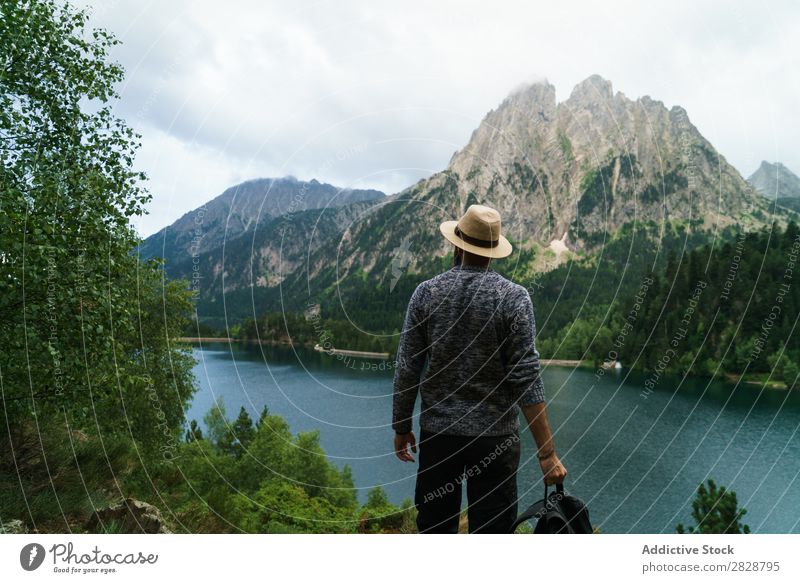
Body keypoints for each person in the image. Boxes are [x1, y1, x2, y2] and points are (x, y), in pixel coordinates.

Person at [392, 204, 567, 534]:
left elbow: (407, 367)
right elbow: (526, 377)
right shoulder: (514, 298)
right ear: (494, 251)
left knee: (435, 532)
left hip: (439, 437)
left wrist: (401, 425)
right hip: (495, 442)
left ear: (457, 244)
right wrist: (547, 455)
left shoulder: (426, 294)